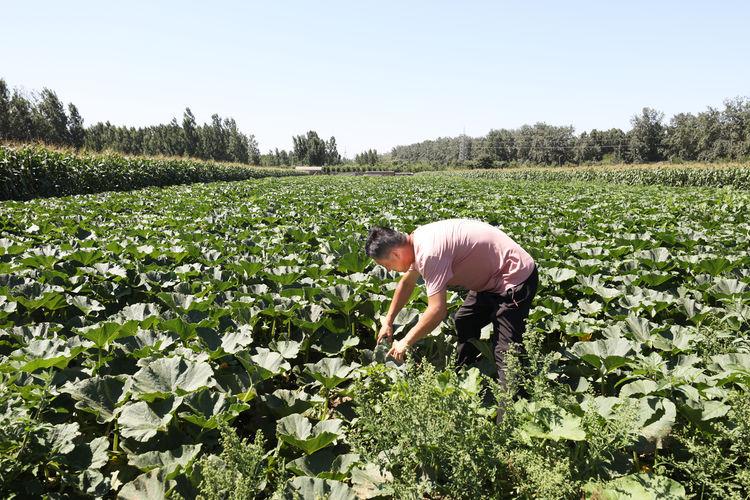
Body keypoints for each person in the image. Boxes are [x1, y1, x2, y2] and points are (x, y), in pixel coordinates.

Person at [364, 218, 538, 397]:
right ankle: (465, 375)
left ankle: (512, 411)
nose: (390, 270)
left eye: (386, 265)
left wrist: (405, 342)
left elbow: (437, 310)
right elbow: (406, 284)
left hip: (514, 278)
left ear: (395, 254)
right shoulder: (415, 242)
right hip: (490, 279)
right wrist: (389, 321)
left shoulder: (429, 253)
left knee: (506, 353)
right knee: (465, 320)